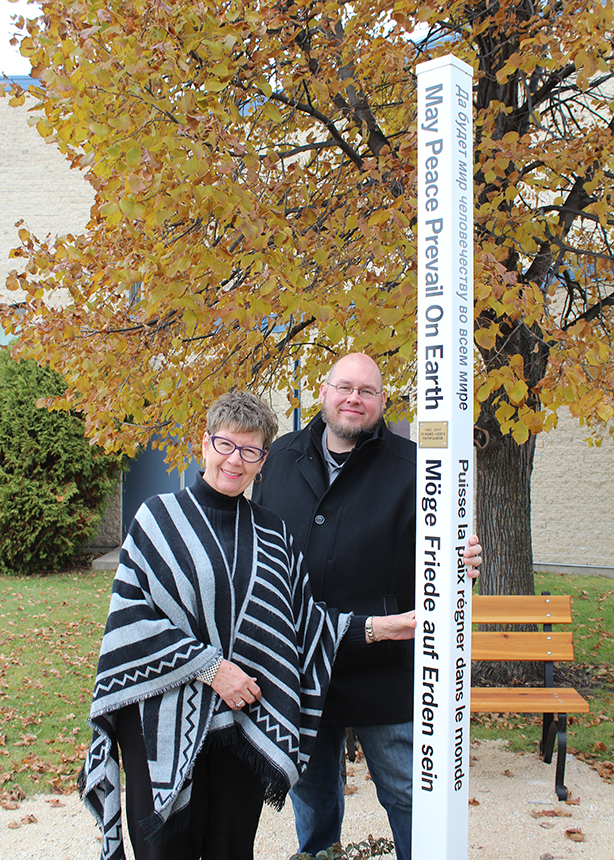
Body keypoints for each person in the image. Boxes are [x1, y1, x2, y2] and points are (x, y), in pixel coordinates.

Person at [79, 390, 417, 860]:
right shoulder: (157, 520)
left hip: (241, 726)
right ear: (204, 444)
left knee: (232, 849)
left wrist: (384, 627)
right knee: (165, 851)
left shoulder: (274, 534)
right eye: (225, 445)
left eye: (251, 450)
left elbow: (306, 623)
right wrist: (212, 669)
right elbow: (130, 621)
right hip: (161, 722)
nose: (235, 461)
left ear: (263, 460)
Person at [252, 354, 482, 860]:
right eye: (345, 387)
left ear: (382, 402)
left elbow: (446, 542)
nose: (353, 398)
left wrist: (459, 553)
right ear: (323, 391)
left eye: (367, 391)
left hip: (386, 663)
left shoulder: (417, 465)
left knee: (405, 793)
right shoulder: (280, 458)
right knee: (310, 793)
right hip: (301, 664)